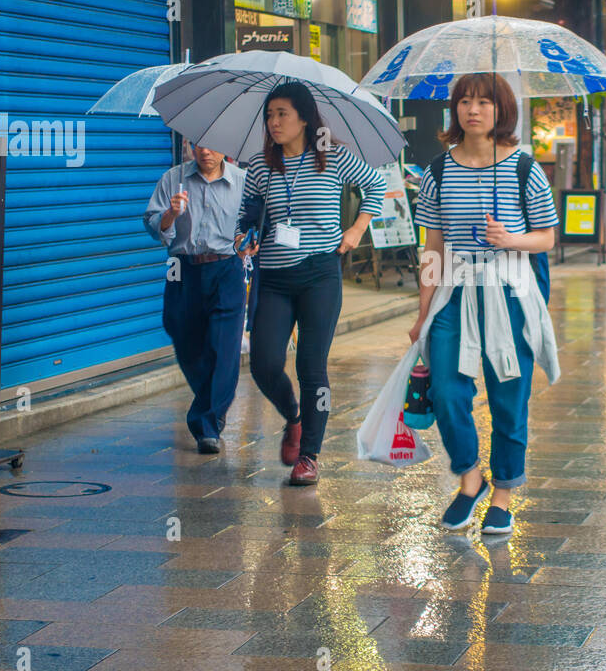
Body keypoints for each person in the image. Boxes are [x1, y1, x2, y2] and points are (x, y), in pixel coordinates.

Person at [409, 73, 560, 536]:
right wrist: (422, 313)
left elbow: (548, 237)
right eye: (465, 102)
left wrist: (510, 238)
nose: (473, 110)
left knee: (508, 398)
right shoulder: (436, 171)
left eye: (484, 102)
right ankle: (470, 477)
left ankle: (504, 493)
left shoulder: (523, 168)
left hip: (509, 291)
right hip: (455, 291)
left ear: (502, 111)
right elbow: (433, 246)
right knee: (448, 393)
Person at [234, 81, 386, 486]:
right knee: (265, 364)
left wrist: (355, 230)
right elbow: (247, 218)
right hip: (275, 278)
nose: (274, 122)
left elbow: (376, 186)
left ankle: (310, 456)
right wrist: (243, 238)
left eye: (282, 113)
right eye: (269, 115)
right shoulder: (259, 165)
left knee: (310, 366)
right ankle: (294, 416)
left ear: (304, 118)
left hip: (320, 274)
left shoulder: (332, 158)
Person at [143, 144, 248, 454]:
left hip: (227, 267)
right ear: (188, 145)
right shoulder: (172, 179)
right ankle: (211, 403)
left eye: (214, 144)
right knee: (182, 336)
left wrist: (250, 239)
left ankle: (207, 424)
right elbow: (151, 225)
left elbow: (256, 222)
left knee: (223, 347)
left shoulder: (243, 181)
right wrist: (170, 215)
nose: (205, 151)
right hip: (182, 270)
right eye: (197, 144)